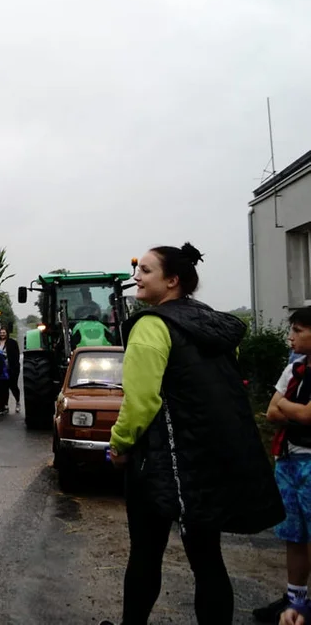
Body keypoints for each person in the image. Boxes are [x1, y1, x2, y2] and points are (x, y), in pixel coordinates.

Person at [102, 243, 284, 625]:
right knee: (207, 559)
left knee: (146, 555)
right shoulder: (212, 326)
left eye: (146, 271)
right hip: (207, 460)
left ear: (172, 281)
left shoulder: (152, 325)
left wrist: (119, 446)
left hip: (159, 463)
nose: (137, 277)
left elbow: (141, 403)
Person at [254, 309, 311, 624]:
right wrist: (296, 409)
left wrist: (289, 409)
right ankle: (295, 598)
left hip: (310, 461)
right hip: (288, 459)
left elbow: (305, 416)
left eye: (298, 330)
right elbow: (271, 412)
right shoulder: (295, 369)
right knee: (295, 534)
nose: (291, 336)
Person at [0, 327, 21, 414]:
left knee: (13, 386)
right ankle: (5, 405)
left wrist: (14, 368)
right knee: (2, 388)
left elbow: (16, 356)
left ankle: (18, 402)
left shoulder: (12, 342)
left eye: (4, 332)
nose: (2, 334)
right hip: (1, 369)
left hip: (11, 368)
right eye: (1, 332)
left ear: (7, 333)